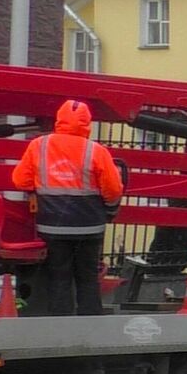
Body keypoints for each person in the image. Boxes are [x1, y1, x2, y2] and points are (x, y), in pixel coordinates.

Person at [12, 100, 123, 316]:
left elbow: (20, 180)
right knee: (87, 277)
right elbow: (113, 189)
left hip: (52, 226)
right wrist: (109, 210)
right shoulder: (96, 151)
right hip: (89, 227)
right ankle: (90, 325)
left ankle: (60, 325)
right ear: (87, 123)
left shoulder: (39, 146)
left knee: (58, 277)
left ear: (59, 120)